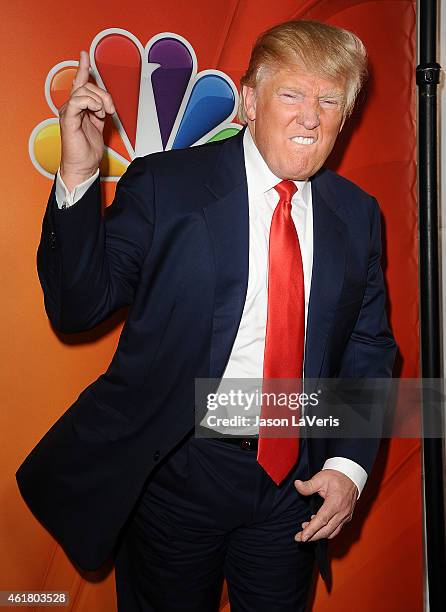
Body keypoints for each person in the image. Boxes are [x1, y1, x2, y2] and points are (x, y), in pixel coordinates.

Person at [16, 19, 396, 611]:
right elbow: (77, 306)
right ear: (247, 100)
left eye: (329, 100)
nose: (311, 117)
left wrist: (349, 466)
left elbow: (369, 350)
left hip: (294, 487)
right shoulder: (167, 185)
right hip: (178, 470)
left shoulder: (359, 215)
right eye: (292, 94)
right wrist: (79, 174)